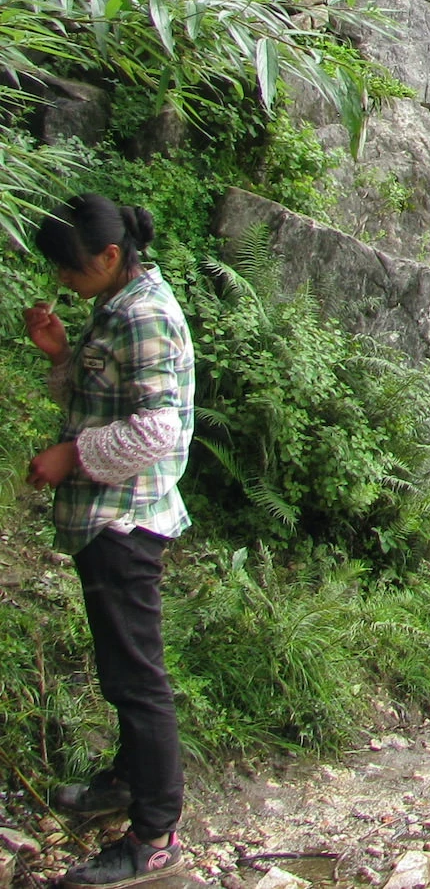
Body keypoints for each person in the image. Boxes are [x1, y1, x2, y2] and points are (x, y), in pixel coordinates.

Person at [22, 195, 194, 888]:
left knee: (136, 680)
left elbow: (158, 431)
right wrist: (63, 356)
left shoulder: (146, 314)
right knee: (122, 672)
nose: (63, 278)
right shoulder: (118, 304)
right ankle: (127, 781)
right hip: (105, 517)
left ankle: (155, 835)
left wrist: (72, 456)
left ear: (111, 257)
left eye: (69, 267)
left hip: (125, 521)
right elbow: (105, 396)